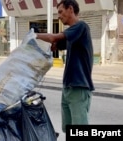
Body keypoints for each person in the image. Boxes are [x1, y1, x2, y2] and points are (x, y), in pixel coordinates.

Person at [35, 0, 95, 133]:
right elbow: (55, 44)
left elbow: (53, 38)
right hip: (68, 87)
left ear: (71, 10)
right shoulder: (71, 35)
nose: (59, 16)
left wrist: (34, 35)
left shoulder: (81, 27)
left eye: (61, 12)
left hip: (79, 87)